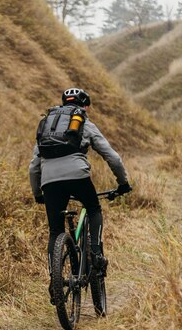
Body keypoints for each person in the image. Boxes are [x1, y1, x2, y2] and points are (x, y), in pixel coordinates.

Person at [29, 88, 131, 303]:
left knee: (56, 231)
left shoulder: (50, 124)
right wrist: (123, 183)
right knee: (93, 208)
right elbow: (112, 156)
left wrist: (38, 193)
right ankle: (95, 254)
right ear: (85, 105)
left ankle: (54, 281)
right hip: (77, 176)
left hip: (49, 181)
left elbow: (33, 166)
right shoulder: (84, 123)